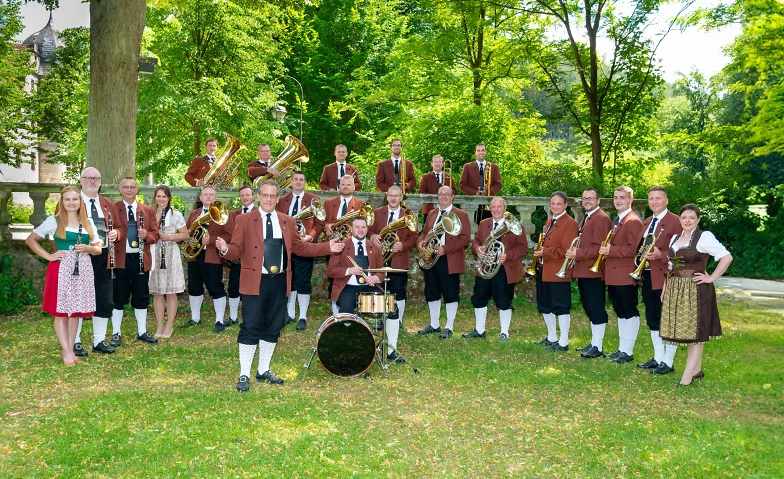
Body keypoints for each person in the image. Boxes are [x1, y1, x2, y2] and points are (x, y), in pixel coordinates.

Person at [216, 181, 344, 391]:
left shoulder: (287, 221)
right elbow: (237, 249)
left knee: (274, 327)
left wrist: (327, 247)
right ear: (258, 196)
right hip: (255, 281)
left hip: (280, 282)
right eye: (265, 195)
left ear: (277, 198)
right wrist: (224, 249)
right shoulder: (244, 219)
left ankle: (263, 370)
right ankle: (244, 374)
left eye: (272, 196)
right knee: (251, 326)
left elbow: (300, 248)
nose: (268, 199)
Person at [26, 186, 102, 366]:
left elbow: (98, 248)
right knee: (61, 312)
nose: (71, 203)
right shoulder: (54, 221)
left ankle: (68, 349)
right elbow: (31, 239)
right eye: (67, 199)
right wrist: (49, 256)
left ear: (80, 201)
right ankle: (67, 352)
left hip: (82, 269)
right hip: (61, 269)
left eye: (75, 199)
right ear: (62, 201)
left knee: (74, 312)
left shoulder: (88, 222)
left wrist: (89, 248)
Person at [661, 204, 732, 387]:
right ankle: (697, 370)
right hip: (677, 289)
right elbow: (672, 266)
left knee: (696, 333)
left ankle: (686, 377)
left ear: (698, 220)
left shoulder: (704, 237)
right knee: (688, 331)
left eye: (692, 218)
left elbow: (726, 257)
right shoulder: (675, 239)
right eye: (684, 217)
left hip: (696, 290)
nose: (687, 221)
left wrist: (711, 278)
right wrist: (664, 289)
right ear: (679, 219)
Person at [463, 197, 528, 341]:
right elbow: (476, 240)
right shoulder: (484, 223)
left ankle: (504, 332)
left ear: (505, 209)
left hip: (504, 268)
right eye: (493, 207)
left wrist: (508, 255)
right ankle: (479, 330)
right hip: (486, 267)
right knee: (479, 298)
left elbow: (523, 247)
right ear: (490, 208)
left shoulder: (516, 225)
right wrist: (477, 248)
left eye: (499, 207)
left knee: (503, 300)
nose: (496, 210)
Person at [73, 167, 122, 356]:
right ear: (82, 180)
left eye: (96, 178)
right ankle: (75, 341)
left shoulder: (108, 204)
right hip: (79, 255)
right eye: (89, 178)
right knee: (77, 298)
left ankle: (99, 340)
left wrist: (117, 233)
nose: (93, 181)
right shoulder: (71, 202)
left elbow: (119, 228)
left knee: (104, 298)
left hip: (104, 256)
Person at [634, 186, 681, 375]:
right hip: (647, 276)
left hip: (665, 278)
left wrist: (660, 255)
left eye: (658, 198)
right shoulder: (647, 221)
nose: (654, 202)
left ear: (666, 201)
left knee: (667, 320)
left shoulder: (676, 221)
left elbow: (683, 252)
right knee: (653, 318)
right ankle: (658, 357)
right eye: (651, 199)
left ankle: (668, 363)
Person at [111, 177, 161, 346]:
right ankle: (116, 333)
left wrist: (147, 235)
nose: (129, 190)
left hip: (140, 259)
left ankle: (142, 331)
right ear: (120, 189)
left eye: (132, 187)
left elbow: (156, 235)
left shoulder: (147, 210)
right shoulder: (113, 208)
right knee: (118, 296)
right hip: (120, 258)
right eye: (126, 187)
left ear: (137, 189)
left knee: (141, 296)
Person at [416, 186, 471, 339]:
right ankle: (434, 324)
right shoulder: (432, 213)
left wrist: (445, 249)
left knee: (450, 292)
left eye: (447, 194)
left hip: (449, 258)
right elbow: (425, 233)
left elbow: (465, 238)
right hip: (431, 258)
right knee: (431, 291)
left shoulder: (461, 215)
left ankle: (449, 326)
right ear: (437, 196)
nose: (444, 197)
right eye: (441, 194)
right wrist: (420, 242)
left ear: (453, 197)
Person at [564, 188, 613, 359]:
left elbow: (599, 248)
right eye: (584, 199)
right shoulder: (588, 217)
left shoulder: (600, 219)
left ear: (598, 201)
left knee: (595, 307)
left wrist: (578, 254)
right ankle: (594, 342)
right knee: (589, 307)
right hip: (583, 270)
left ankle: (598, 346)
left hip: (593, 270)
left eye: (590, 199)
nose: (587, 201)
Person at [369, 186, 418, 351]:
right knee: (381, 290)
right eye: (390, 195)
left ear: (401, 197)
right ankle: (381, 319)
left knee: (398, 291)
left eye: (396, 196)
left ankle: (398, 320)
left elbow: (414, 237)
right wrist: (373, 236)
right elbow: (369, 230)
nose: (393, 198)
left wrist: (402, 245)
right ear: (386, 196)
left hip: (398, 258)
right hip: (380, 260)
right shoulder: (377, 212)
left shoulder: (408, 215)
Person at [181, 186, 235, 332]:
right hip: (195, 256)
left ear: (215, 198)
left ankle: (219, 320)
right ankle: (195, 318)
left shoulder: (224, 214)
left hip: (213, 256)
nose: (209, 197)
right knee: (194, 287)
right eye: (206, 194)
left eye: (212, 194)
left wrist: (211, 240)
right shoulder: (194, 213)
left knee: (216, 287)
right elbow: (187, 232)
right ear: (200, 197)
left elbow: (230, 236)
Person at [599, 186, 643, 364]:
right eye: (616, 198)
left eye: (622, 198)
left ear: (630, 200)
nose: (618, 201)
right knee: (620, 312)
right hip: (615, 274)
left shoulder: (633, 221)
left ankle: (628, 351)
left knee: (629, 311)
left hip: (625, 273)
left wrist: (611, 250)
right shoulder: (618, 219)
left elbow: (635, 249)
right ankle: (622, 349)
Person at [277, 171, 324, 330]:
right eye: (295, 179)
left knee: (303, 281)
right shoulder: (283, 200)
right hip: (286, 245)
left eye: (301, 180)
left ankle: (302, 316)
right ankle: (290, 314)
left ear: (304, 182)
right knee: (288, 280)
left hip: (304, 244)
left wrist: (309, 237)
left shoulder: (314, 199)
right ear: (291, 182)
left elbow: (320, 224)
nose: (298, 182)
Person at [533, 192, 579, 351]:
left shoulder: (570, 223)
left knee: (561, 306)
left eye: (559, 204)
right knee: (545, 304)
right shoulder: (550, 220)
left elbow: (566, 249)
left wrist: (544, 252)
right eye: (553, 203)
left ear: (566, 205)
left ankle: (564, 341)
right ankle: (552, 336)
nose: (555, 206)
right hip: (545, 269)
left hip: (559, 269)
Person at [148, 185, 188, 339]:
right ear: (155, 198)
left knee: (170, 292)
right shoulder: (150, 214)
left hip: (170, 253)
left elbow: (185, 234)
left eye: (164, 196)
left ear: (169, 198)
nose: (161, 199)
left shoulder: (175, 214)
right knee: (158, 292)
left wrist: (171, 237)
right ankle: (160, 325)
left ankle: (169, 325)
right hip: (154, 253)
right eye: (159, 196)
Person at [323, 175, 366, 315]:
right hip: (333, 245)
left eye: (349, 184)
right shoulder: (328, 203)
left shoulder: (361, 204)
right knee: (333, 277)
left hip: (352, 246)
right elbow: (321, 222)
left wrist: (353, 234)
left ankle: (353, 309)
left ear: (354, 187)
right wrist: (326, 226)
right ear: (338, 187)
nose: (346, 187)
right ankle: (336, 312)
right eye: (343, 184)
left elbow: (366, 226)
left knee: (350, 276)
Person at [225, 185, 257, 328]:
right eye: (242, 195)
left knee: (250, 288)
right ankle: (232, 317)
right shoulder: (233, 214)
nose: (245, 197)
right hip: (237, 257)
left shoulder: (259, 213)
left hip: (253, 257)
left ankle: (249, 317)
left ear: (253, 196)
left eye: (248, 195)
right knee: (233, 286)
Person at [458, 143, 502, 223]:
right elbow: (462, 184)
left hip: (489, 203)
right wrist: (475, 192)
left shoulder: (493, 167)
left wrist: (488, 191)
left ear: (486, 152)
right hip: (472, 203)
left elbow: (498, 185)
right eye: (478, 150)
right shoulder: (467, 166)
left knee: (488, 228)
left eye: (483, 150)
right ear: (475, 153)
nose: (480, 152)